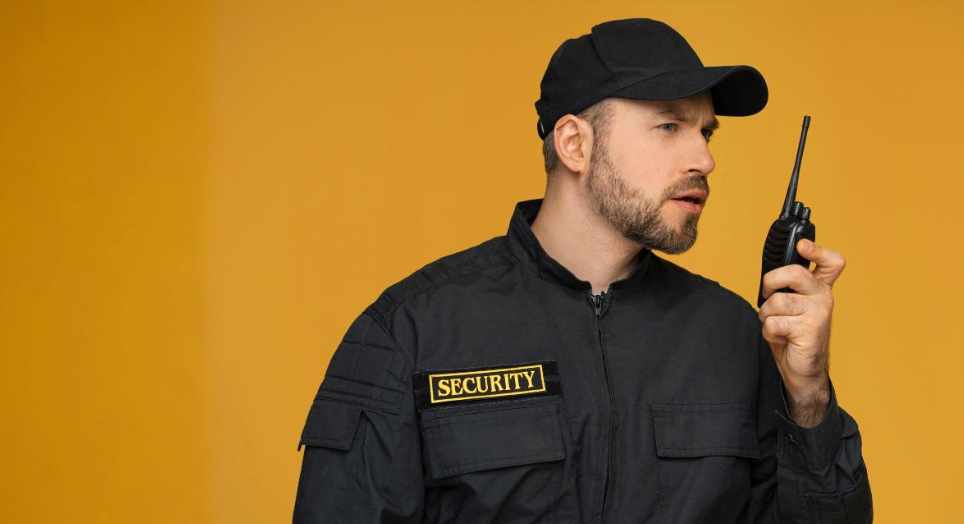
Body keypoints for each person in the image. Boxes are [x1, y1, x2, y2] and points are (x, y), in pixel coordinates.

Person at [293, 17, 872, 523]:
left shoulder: (737, 336)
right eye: (669, 126)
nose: (705, 159)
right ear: (574, 144)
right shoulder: (410, 331)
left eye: (706, 131)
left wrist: (809, 395)